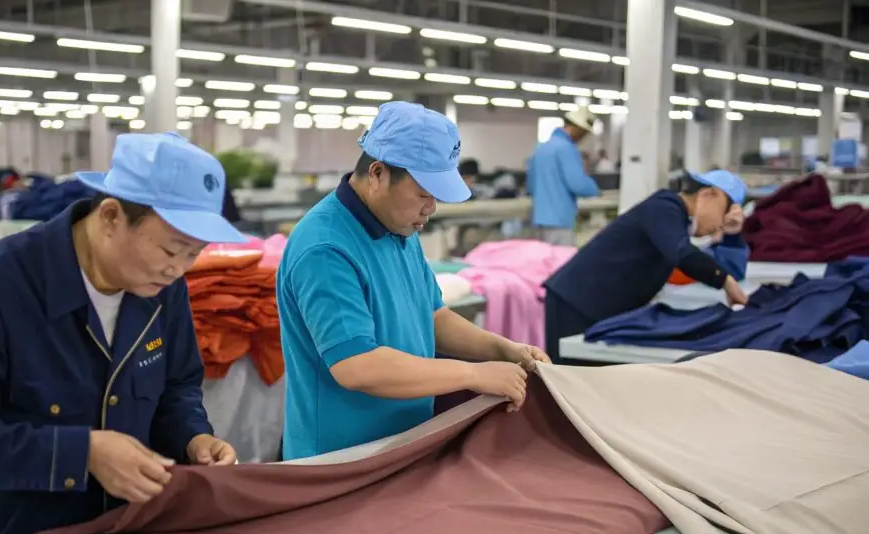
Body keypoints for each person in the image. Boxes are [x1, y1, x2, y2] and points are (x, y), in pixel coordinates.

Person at [0, 132, 244, 534]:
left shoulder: (160, 288)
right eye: (171, 249)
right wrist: (82, 454)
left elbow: (176, 386)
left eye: (194, 254)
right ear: (110, 217)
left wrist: (193, 437)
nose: (178, 270)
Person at [276, 101, 550, 461]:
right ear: (377, 173)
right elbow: (358, 366)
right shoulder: (325, 248)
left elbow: (433, 317)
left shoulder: (398, 229)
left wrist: (503, 350)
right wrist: (473, 374)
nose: (431, 208)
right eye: (423, 194)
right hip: (339, 458)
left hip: (400, 443)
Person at [543, 169, 750, 364]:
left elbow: (731, 268)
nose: (720, 225)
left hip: (600, 307)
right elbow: (683, 255)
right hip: (576, 302)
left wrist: (732, 237)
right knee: (567, 385)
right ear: (708, 195)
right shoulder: (664, 206)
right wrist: (724, 281)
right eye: (723, 213)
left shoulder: (677, 223)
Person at [526, 108, 601, 246]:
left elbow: (531, 185)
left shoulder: (541, 148)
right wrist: (595, 190)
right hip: (560, 220)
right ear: (576, 128)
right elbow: (577, 184)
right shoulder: (567, 149)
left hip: (539, 218)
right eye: (584, 133)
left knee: (544, 263)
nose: (583, 137)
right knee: (561, 262)